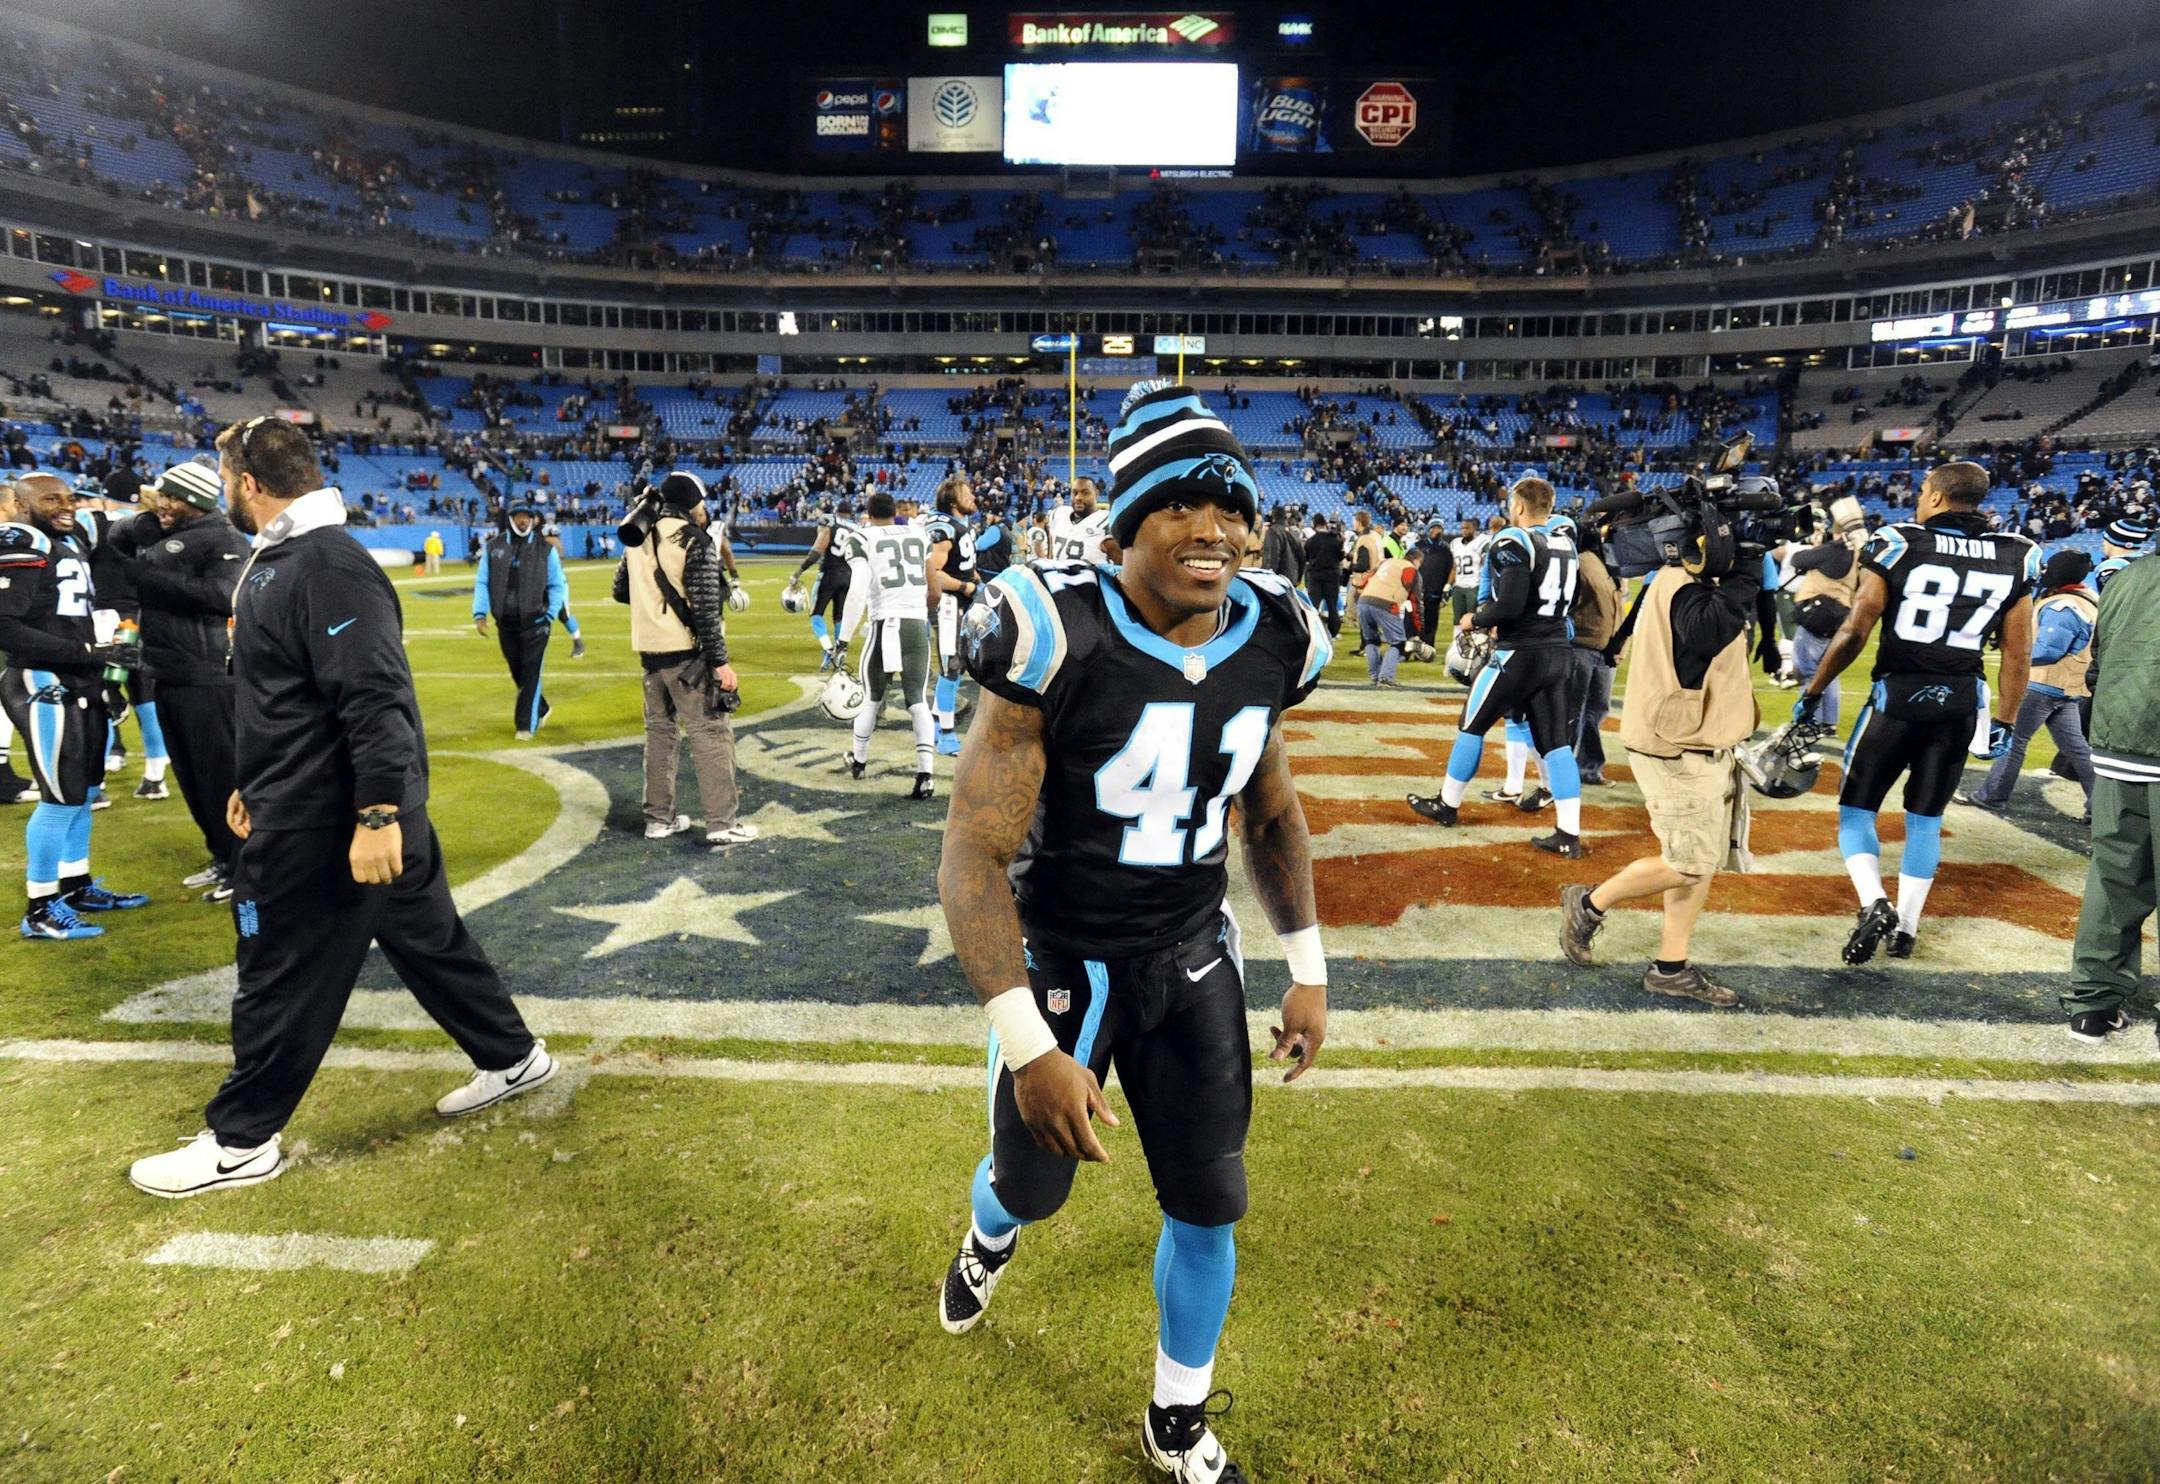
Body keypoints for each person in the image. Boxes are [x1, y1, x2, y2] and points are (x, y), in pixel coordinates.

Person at [935, 381, 1331, 1484]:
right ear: (1122, 526)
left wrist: (1307, 968)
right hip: (1066, 958)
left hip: (1192, 954)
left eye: (1233, 506)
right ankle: (990, 1232)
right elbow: (971, 855)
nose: (1215, 529)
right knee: (1031, 1187)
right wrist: (1030, 1047)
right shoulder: (1056, 632)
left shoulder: (1275, 632)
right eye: (1181, 505)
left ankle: (1177, 1416)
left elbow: (1272, 814)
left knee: (1210, 1201)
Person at [127, 417, 556, 1199]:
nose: (223, 491)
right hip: (317, 800)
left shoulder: (325, 563)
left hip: (332, 817)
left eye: (225, 476)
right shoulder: (290, 557)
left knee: (278, 972)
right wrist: (251, 781)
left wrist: (378, 813)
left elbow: (376, 697)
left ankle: (241, 1141)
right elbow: (284, 696)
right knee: (431, 944)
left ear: (249, 483)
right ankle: (513, 1056)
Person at [1797, 461, 2036, 965]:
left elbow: (1856, 629)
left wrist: (1814, 691)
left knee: (1857, 812)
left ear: (1937, 497)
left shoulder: (1900, 541)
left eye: (1924, 490)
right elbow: (2018, 653)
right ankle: (1905, 930)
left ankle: (1873, 902)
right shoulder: (2016, 554)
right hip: (1960, 704)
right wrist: (2007, 721)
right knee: (1925, 821)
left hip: (1897, 698)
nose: (1919, 498)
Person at [1557, 524, 1765, 1006]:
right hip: (1678, 743)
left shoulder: (1689, 580)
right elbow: (1707, 632)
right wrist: (1747, 571)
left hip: (1701, 736)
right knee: (1689, 861)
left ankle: (1670, 966)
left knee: (1699, 861)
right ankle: (1588, 903)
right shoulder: (1682, 583)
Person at [0, 472, 149, 940]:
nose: (65, 506)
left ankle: (75, 885)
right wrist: (85, 653)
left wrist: (102, 668)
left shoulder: (69, 541)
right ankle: (40, 907)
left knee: (84, 792)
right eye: (51, 499)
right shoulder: (22, 539)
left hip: (79, 678)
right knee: (60, 796)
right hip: (42, 678)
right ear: (22, 505)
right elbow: (5, 626)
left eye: (68, 498)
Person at [1408, 477, 1587, 859]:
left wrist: (1474, 619)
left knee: (1472, 723)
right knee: (1557, 743)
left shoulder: (1514, 540)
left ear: (1519, 506)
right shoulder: (1566, 543)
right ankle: (1568, 833)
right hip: (1558, 651)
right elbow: (1576, 597)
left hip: (1520, 652)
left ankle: (1447, 803)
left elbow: (1510, 604)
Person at [111, 461, 250, 901]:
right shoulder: (167, 531)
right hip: (168, 672)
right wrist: (142, 524)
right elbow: (116, 538)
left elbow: (224, 596)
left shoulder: (225, 539)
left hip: (207, 676)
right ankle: (222, 856)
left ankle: (246, 868)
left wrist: (149, 575)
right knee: (192, 780)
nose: (164, 504)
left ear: (195, 501)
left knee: (220, 780)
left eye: (172, 497)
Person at [613, 472, 756, 847]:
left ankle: (658, 820)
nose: (704, 509)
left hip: (650, 655)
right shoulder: (695, 539)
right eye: (701, 502)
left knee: (659, 736)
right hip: (687, 658)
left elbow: (620, 591)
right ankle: (722, 823)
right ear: (691, 502)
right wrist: (720, 662)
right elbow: (706, 611)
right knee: (711, 734)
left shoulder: (638, 537)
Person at [2062, 544, 2160, 1042]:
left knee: (2114, 874)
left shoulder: (2124, 578)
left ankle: (2093, 1006)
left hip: (2120, 745)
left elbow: (2097, 667)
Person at [1956, 549, 2095, 818]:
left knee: (2014, 739)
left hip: (2043, 684)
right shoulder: (2087, 599)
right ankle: (2101, 807)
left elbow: (2049, 649)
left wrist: (2014, 652)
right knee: (2077, 749)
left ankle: (1992, 796)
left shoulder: (2063, 606)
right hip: (2066, 686)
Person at [837, 490, 938, 798]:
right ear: (895, 512)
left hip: (884, 624)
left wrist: (842, 641)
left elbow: (857, 592)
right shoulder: (918, 533)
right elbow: (935, 589)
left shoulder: (862, 537)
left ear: (868, 515)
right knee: (918, 701)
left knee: (871, 698)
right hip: (916, 624)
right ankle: (926, 775)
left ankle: (859, 761)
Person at [473, 499, 567, 740]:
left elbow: (557, 584)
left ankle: (525, 725)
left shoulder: (545, 550)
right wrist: (480, 613)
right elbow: (482, 582)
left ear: (533, 519)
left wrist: (550, 613)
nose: (523, 520)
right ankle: (542, 707)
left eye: (527, 516)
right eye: (518, 516)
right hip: (506, 623)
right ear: (511, 519)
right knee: (518, 672)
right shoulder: (493, 547)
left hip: (536, 623)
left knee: (531, 673)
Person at [1785, 497, 1869, 726]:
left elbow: (1798, 559)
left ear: (1838, 533)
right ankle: (1828, 723)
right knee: (1828, 670)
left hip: (1818, 616)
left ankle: (1809, 720)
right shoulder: (1858, 555)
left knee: (1807, 671)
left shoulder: (1833, 550)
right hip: (1841, 616)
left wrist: (1819, 546)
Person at [926, 476, 984, 756]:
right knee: (951, 666)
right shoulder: (942, 528)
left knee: (959, 667)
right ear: (952, 502)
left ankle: (937, 724)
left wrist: (979, 582)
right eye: (966, 493)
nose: (972, 497)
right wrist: (966, 587)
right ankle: (946, 736)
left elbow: (964, 565)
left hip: (963, 602)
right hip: (949, 603)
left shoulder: (961, 525)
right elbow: (934, 573)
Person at [1565, 519, 1623, 787]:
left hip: (1605, 648)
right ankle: (1560, 771)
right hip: (1582, 645)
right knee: (1574, 710)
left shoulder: (1605, 563)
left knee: (1595, 710)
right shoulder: (1580, 562)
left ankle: (1587, 768)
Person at [786, 502, 855, 672]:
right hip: (848, 576)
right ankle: (840, 653)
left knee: (816, 614)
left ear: (837, 511)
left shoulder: (830, 521)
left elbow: (817, 550)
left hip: (829, 574)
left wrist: (798, 572)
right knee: (839, 617)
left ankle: (828, 648)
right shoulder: (857, 527)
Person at [540, 517, 587, 659]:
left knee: (563, 615)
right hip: (544, 584)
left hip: (556, 585)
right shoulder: (553, 546)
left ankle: (578, 643)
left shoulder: (550, 546)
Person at [1046, 474, 1112, 563]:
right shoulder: (1058, 514)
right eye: (1075, 493)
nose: (1078, 497)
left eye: (1085, 493)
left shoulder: (1106, 520)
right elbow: (1051, 555)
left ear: (1096, 494)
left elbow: (1121, 564)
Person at [1302, 514, 1344, 637]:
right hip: (1332, 576)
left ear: (1314, 525)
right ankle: (1333, 632)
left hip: (1315, 576)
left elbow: (1307, 558)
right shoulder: (1335, 540)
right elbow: (1340, 556)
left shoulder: (1311, 541)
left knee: (1313, 606)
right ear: (1325, 524)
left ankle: (1311, 631)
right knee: (1332, 606)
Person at [1448, 515, 1488, 625]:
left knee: (1472, 619)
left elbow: (1486, 564)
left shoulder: (1482, 542)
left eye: (1467, 528)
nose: (1464, 530)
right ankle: (1457, 637)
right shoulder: (1455, 543)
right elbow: (1454, 567)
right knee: (1457, 619)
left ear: (1475, 529)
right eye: (1462, 528)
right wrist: (1448, 584)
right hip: (1459, 586)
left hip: (1474, 586)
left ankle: (1474, 637)